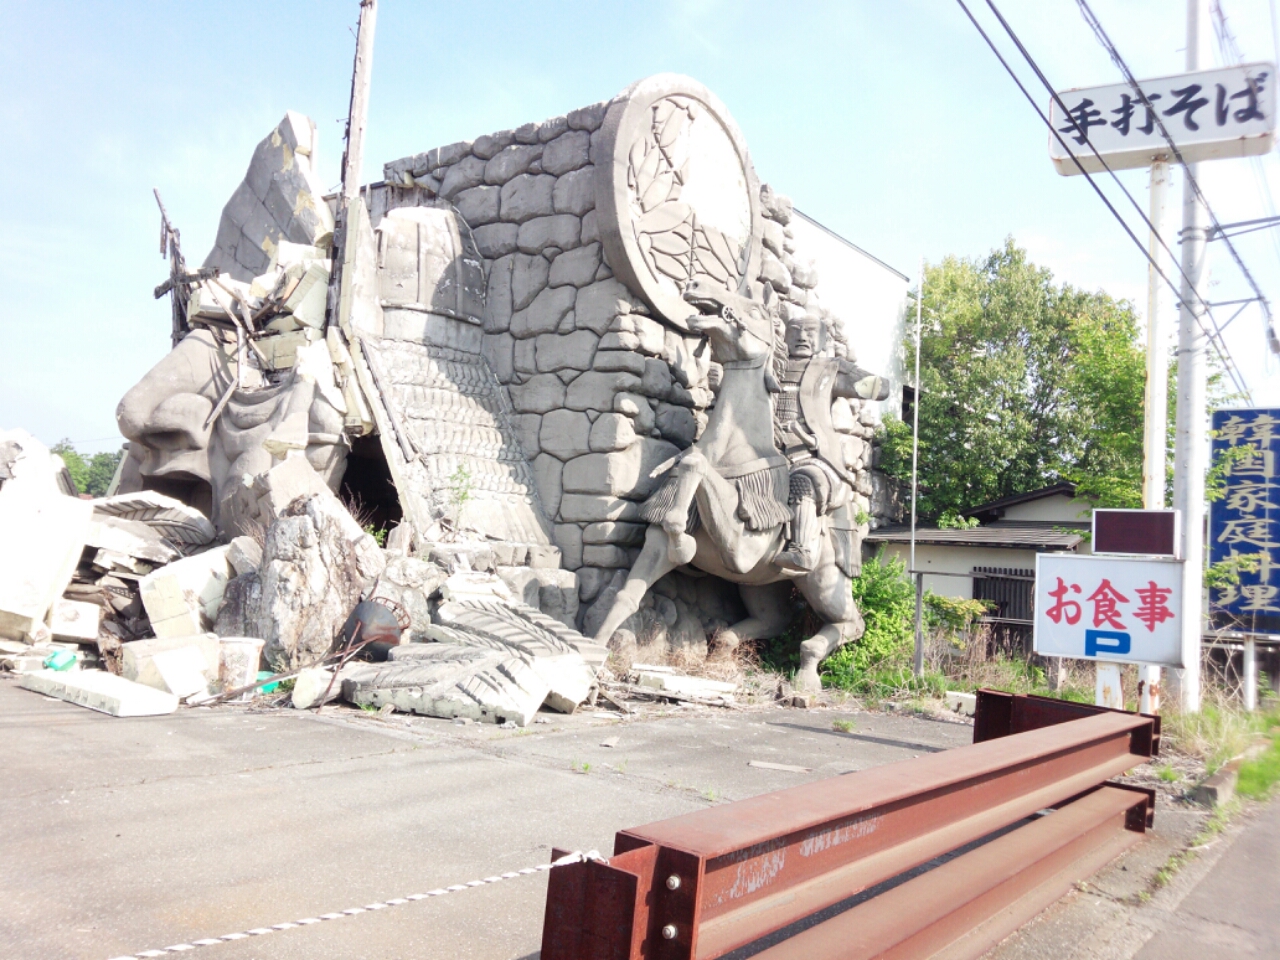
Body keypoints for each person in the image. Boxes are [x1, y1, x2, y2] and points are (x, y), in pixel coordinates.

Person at [774, 308, 889, 572]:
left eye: (810, 332)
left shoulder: (828, 370)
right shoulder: (772, 364)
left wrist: (855, 375)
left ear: (822, 339)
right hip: (766, 447)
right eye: (795, 331)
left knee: (803, 482)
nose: (802, 337)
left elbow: (879, 387)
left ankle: (801, 549)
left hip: (808, 454)